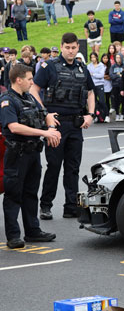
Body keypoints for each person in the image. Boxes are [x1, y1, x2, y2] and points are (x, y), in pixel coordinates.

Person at [30, 33, 95, 220]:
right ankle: (46, 206)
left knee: (73, 167)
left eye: (74, 47)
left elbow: (91, 92)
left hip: (75, 124)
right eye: (67, 47)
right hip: (56, 124)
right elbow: (34, 89)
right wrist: (45, 114)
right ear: (61, 47)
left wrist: (90, 115)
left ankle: (71, 206)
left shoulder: (82, 68)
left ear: (77, 47)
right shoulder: (49, 66)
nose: (71, 51)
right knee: (54, 166)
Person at [1, 64, 62, 248]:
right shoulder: (7, 100)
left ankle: (33, 231)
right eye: (29, 79)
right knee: (13, 195)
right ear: (18, 80)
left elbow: (45, 114)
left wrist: (50, 125)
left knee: (30, 193)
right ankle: (13, 236)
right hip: (17, 153)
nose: (32, 82)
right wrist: (44, 133)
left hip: (33, 153)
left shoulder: (29, 97)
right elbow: (14, 126)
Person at [87, 52, 108, 123]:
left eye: (94, 57)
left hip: (100, 84)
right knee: (94, 102)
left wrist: (93, 74)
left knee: (102, 101)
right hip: (92, 85)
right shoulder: (89, 66)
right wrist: (94, 75)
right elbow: (88, 75)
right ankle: (97, 116)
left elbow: (101, 75)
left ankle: (106, 115)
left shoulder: (101, 65)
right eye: (91, 57)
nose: (93, 59)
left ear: (96, 57)